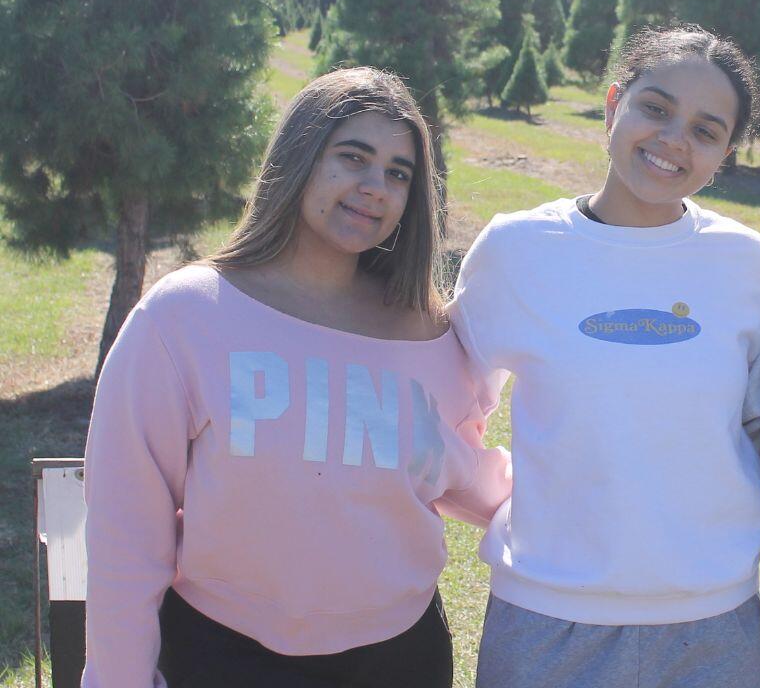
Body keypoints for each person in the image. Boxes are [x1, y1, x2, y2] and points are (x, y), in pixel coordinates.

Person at [82, 67, 511, 688]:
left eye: (398, 172)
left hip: (400, 661)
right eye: (353, 158)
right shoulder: (185, 317)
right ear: (299, 157)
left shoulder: (430, 336)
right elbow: (127, 530)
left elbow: (462, 474)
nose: (376, 187)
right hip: (223, 658)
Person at [448, 25, 760, 688]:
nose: (671, 140)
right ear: (613, 104)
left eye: (705, 129)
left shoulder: (745, 265)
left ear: (723, 153)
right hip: (546, 622)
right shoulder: (517, 251)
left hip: (712, 629)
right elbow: (443, 411)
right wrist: (513, 505)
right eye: (655, 109)